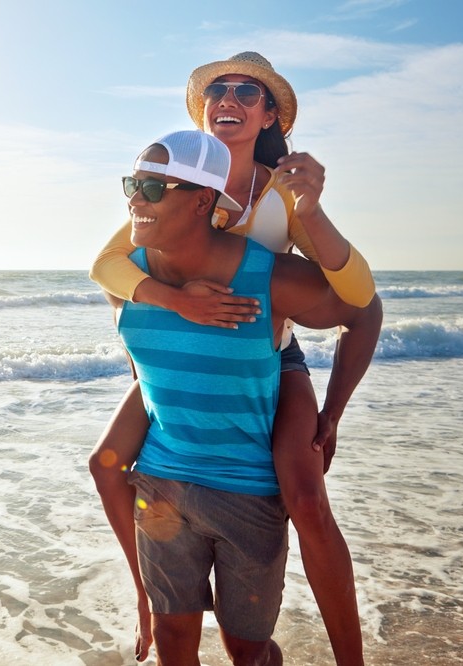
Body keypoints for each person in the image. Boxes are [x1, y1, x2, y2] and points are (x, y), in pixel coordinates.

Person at [88, 52, 382, 665]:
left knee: (303, 495)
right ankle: (151, 601)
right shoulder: (176, 181)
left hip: (269, 353)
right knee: (105, 463)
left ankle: (350, 656)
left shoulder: (282, 191)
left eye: (248, 91)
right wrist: (174, 304)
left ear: (270, 114)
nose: (230, 97)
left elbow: (359, 300)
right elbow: (107, 267)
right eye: (218, 88)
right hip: (182, 348)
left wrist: (333, 413)